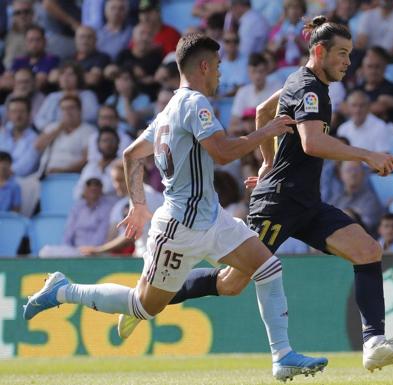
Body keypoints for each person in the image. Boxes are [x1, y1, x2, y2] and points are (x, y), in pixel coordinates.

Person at [120, 17, 393, 372]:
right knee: (232, 285)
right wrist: (365, 154)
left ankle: (373, 342)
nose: (347, 62)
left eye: (350, 54)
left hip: (305, 201)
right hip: (278, 203)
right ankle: (147, 300)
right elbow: (311, 143)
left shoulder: (302, 82)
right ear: (320, 51)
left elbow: (264, 111)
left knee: (368, 250)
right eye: (342, 53)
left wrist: (266, 162)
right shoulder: (307, 87)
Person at [23, 33, 327, 382]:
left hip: (211, 218)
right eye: (217, 67)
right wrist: (268, 131)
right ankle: (63, 289)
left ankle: (282, 356)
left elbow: (131, 154)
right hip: (179, 228)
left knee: (268, 268)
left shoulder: (169, 109)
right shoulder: (195, 103)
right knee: (143, 306)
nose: (220, 75)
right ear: (203, 66)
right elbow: (223, 152)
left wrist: (138, 204)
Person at [39, 177, 118, 257]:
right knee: (46, 251)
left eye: (95, 189)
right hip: (75, 251)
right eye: (90, 188)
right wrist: (67, 249)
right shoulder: (77, 208)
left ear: (101, 191)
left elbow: (102, 235)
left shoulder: (107, 208)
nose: (93, 191)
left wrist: (91, 250)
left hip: (96, 252)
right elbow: (68, 233)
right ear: (84, 190)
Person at [329, 160, 384, 234]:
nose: (353, 173)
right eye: (349, 170)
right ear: (340, 174)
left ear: (363, 173)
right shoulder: (336, 198)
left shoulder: (371, 200)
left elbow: (366, 227)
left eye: (357, 169)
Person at [0, 96, 40, 177]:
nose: (18, 116)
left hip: (19, 183)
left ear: (29, 114)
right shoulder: (2, 134)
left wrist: (4, 172)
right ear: (8, 114)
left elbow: (25, 169)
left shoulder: (35, 139)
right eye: (14, 112)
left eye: (21, 111)